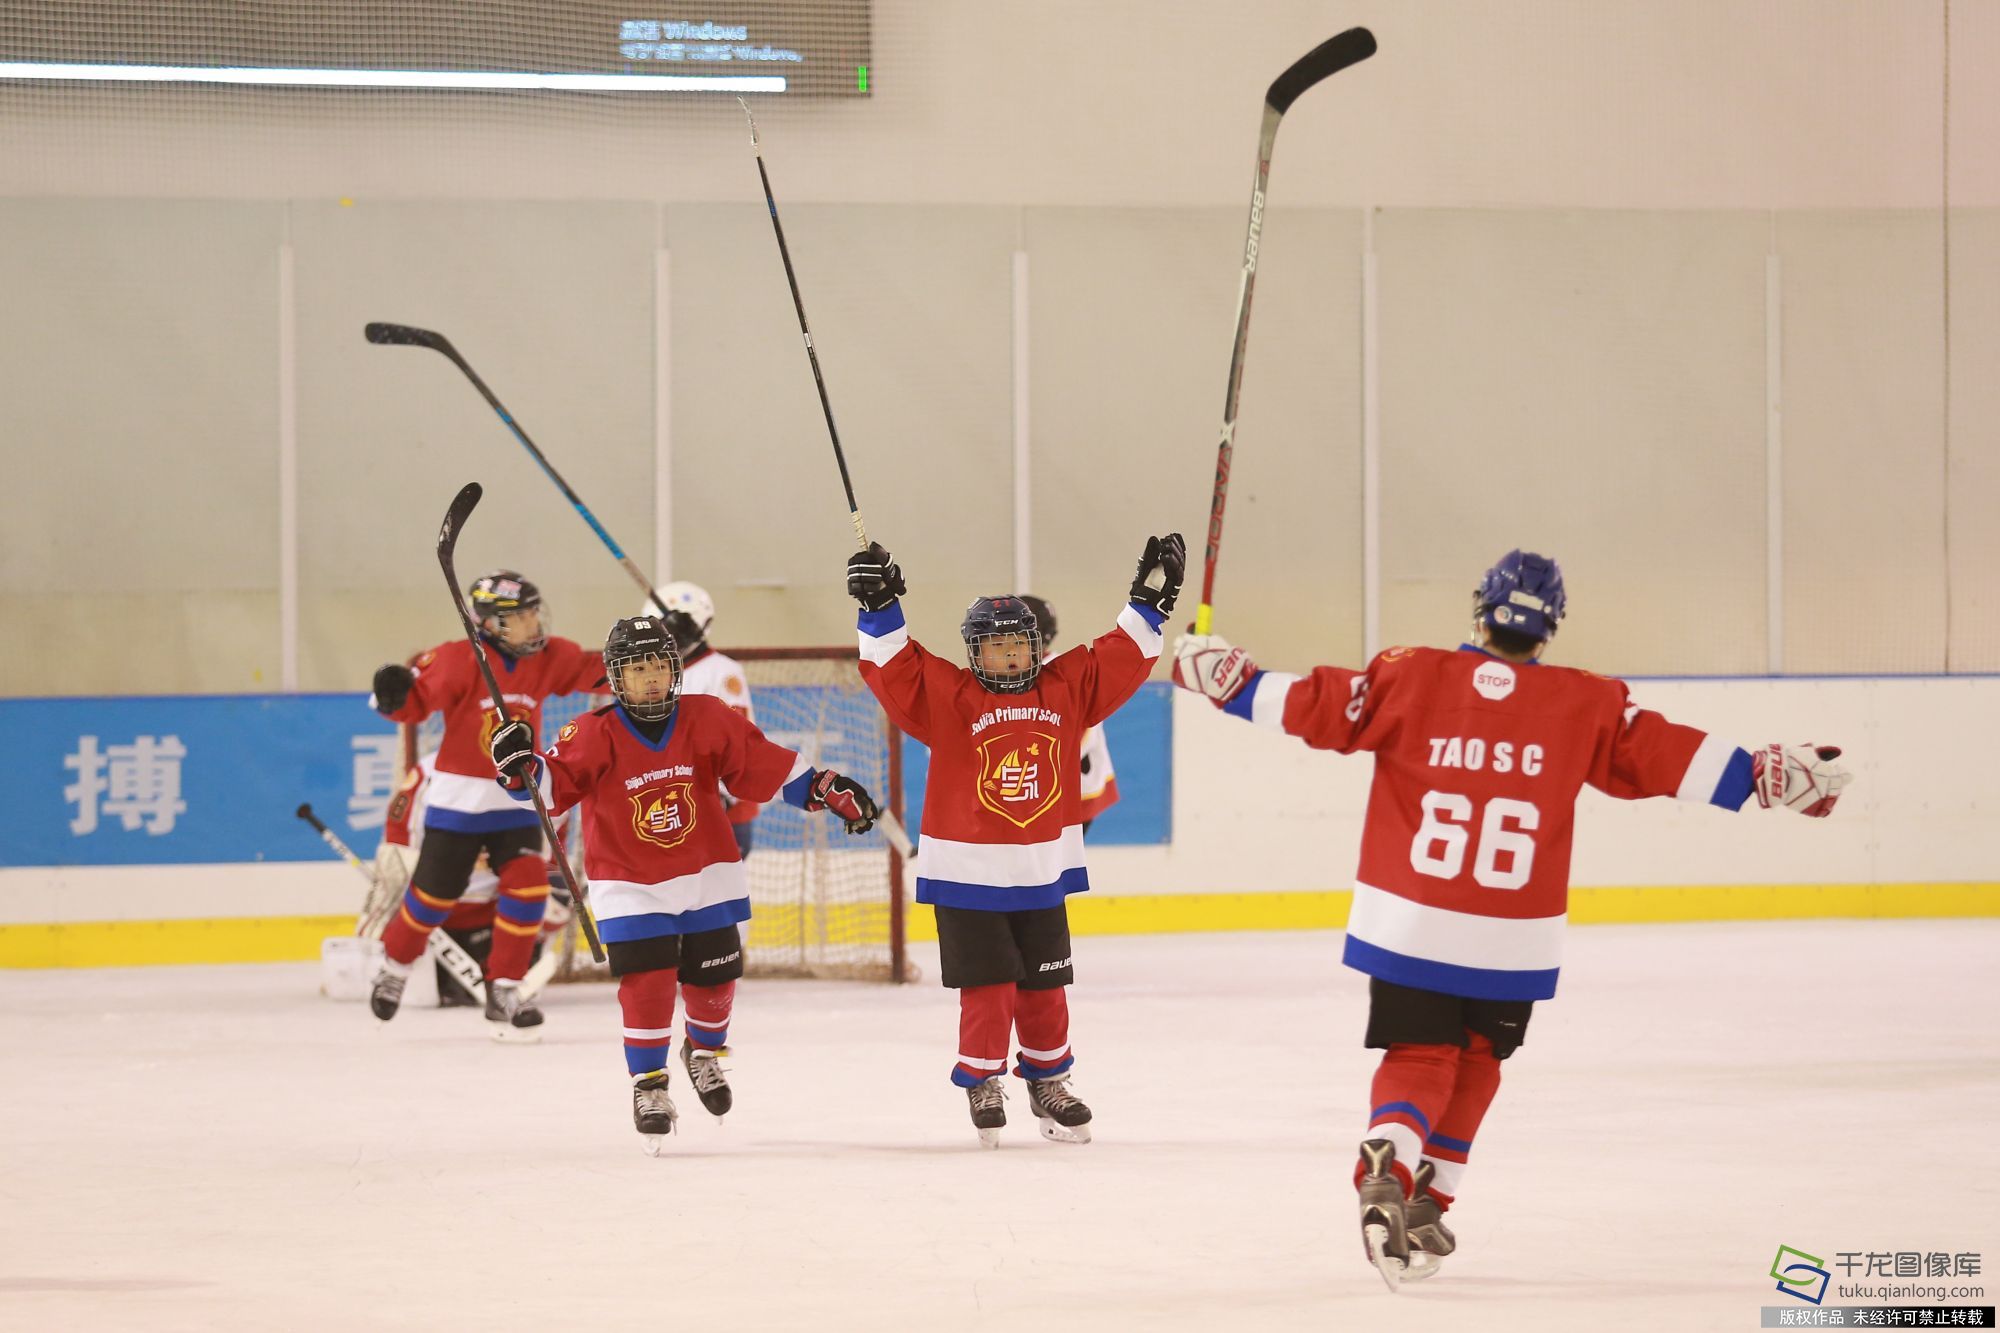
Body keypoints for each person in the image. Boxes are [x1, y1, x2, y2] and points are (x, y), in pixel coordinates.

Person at [1171, 550, 1853, 1289]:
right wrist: (1760, 774)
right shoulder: (1586, 700)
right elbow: (1661, 755)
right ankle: (1430, 1199)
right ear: (1549, 628)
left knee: (1421, 1054)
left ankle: (1387, 1156)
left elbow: (1318, 705)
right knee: (1478, 1060)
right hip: (1511, 934)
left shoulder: (1411, 674)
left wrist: (1230, 681)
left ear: (1480, 609)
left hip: (1412, 921)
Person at [490, 616, 880, 1153]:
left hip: (706, 875)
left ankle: (702, 1052)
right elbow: (551, 785)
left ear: (675, 670)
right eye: (636, 669)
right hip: (629, 884)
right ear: (615, 678)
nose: (649, 678)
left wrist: (823, 787)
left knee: (714, 983)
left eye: (659, 666)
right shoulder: (593, 732)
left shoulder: (707, 716)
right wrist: (518, 766)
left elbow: (757, 764)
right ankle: (649, 1086)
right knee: (648, 984)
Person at [846, 533, 1185, 1146]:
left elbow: (1113, 657)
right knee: (990, 986)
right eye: (995, 647)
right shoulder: (950, 698)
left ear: (1036, 649)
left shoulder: (1064, 691)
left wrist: (1149, 601)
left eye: (1018, 646)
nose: (1008, 657)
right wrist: (879, 611)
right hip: (967, 876)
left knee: (1045, 982)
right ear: (975, 653)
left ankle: (1049, 1080)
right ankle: (982, 1077)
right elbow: (895, 667)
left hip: (1041, 871)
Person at [366, 571, 605, 1040]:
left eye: (535, 612)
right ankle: (394, 966)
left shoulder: (549, 657)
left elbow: (593, 669)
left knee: (529, 890)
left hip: (515, 795)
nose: (535, 623)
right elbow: (412, 705)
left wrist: (649, 653)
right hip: (459, 800)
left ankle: (505, 988)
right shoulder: (457, 659)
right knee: (433, 897)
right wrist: (392, 693)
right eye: (523, 616)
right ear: (493, 624)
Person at [644, 581, 761, 857]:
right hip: (671, 808)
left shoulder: (722, 671)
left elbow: (735, 741)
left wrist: (716, 795)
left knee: (714, 898)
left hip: (719, 810)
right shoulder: (656, 676)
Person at [1020, 596, 1121, 833]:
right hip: (1044, 792)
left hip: (1071, 792)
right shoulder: (1019, 673)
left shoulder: (1062, 675)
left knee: (1051, 866)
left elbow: (1082, 733)